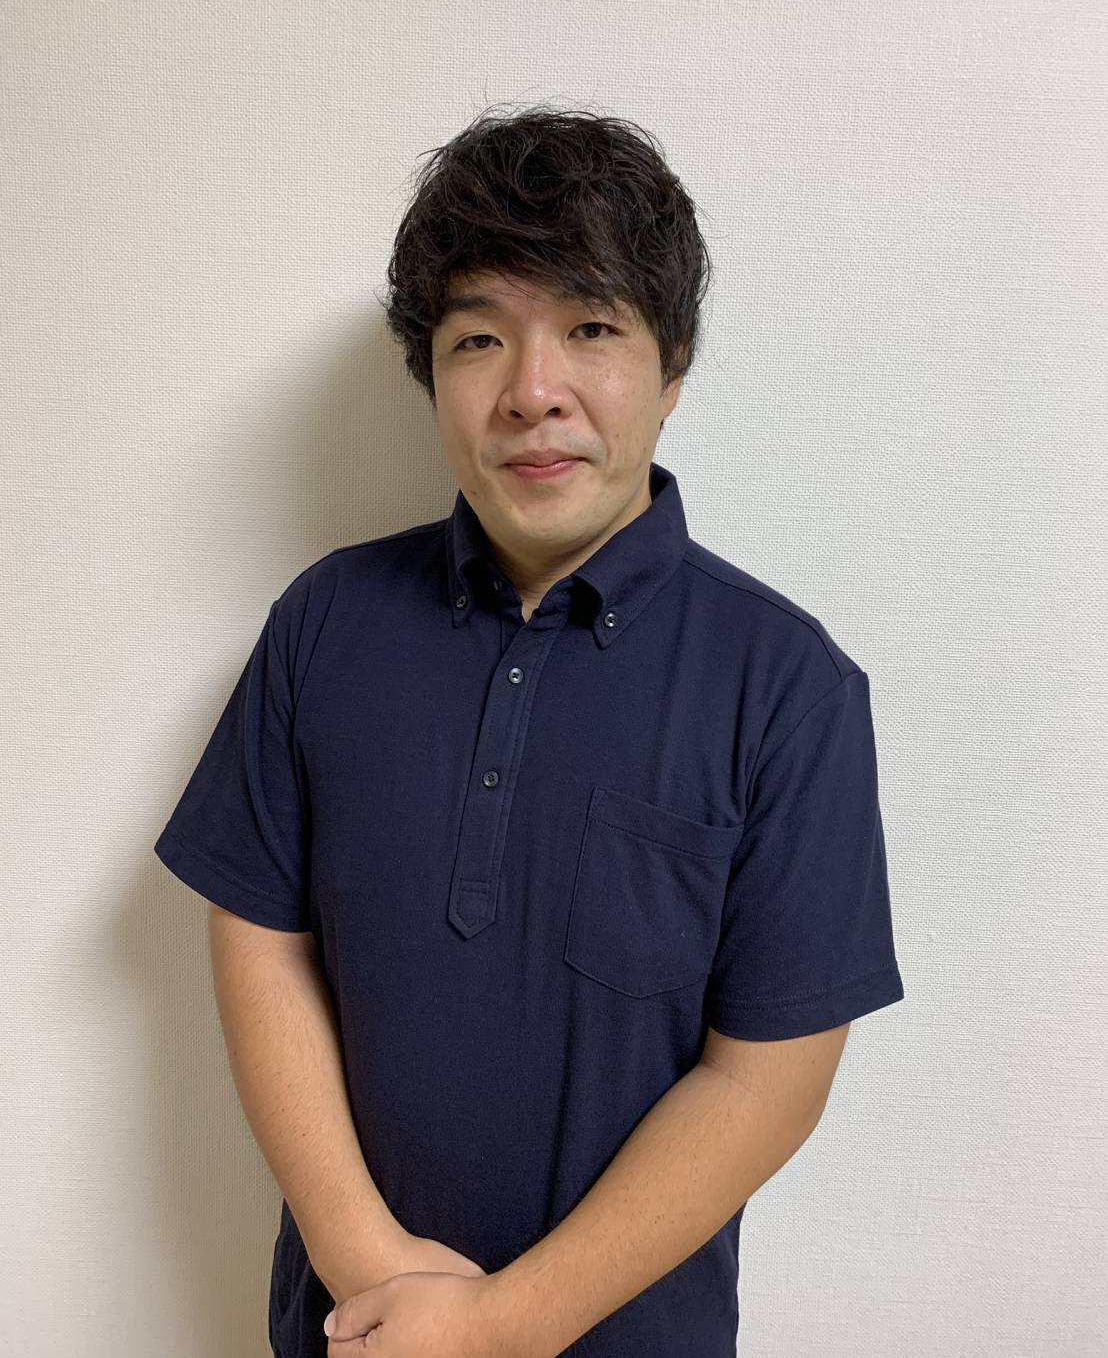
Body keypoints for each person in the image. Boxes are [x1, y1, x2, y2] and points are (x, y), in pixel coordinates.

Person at [154, 104, 906, 1357]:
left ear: (671, 367)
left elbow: (768, 1076)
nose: (531, 391)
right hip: (351, 1331)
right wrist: (373, 1266)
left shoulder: (787, 684)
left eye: (591, 328)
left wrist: (499, 1325)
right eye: (478, 339)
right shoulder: (323, 623)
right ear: (430, 374)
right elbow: (260, 940)